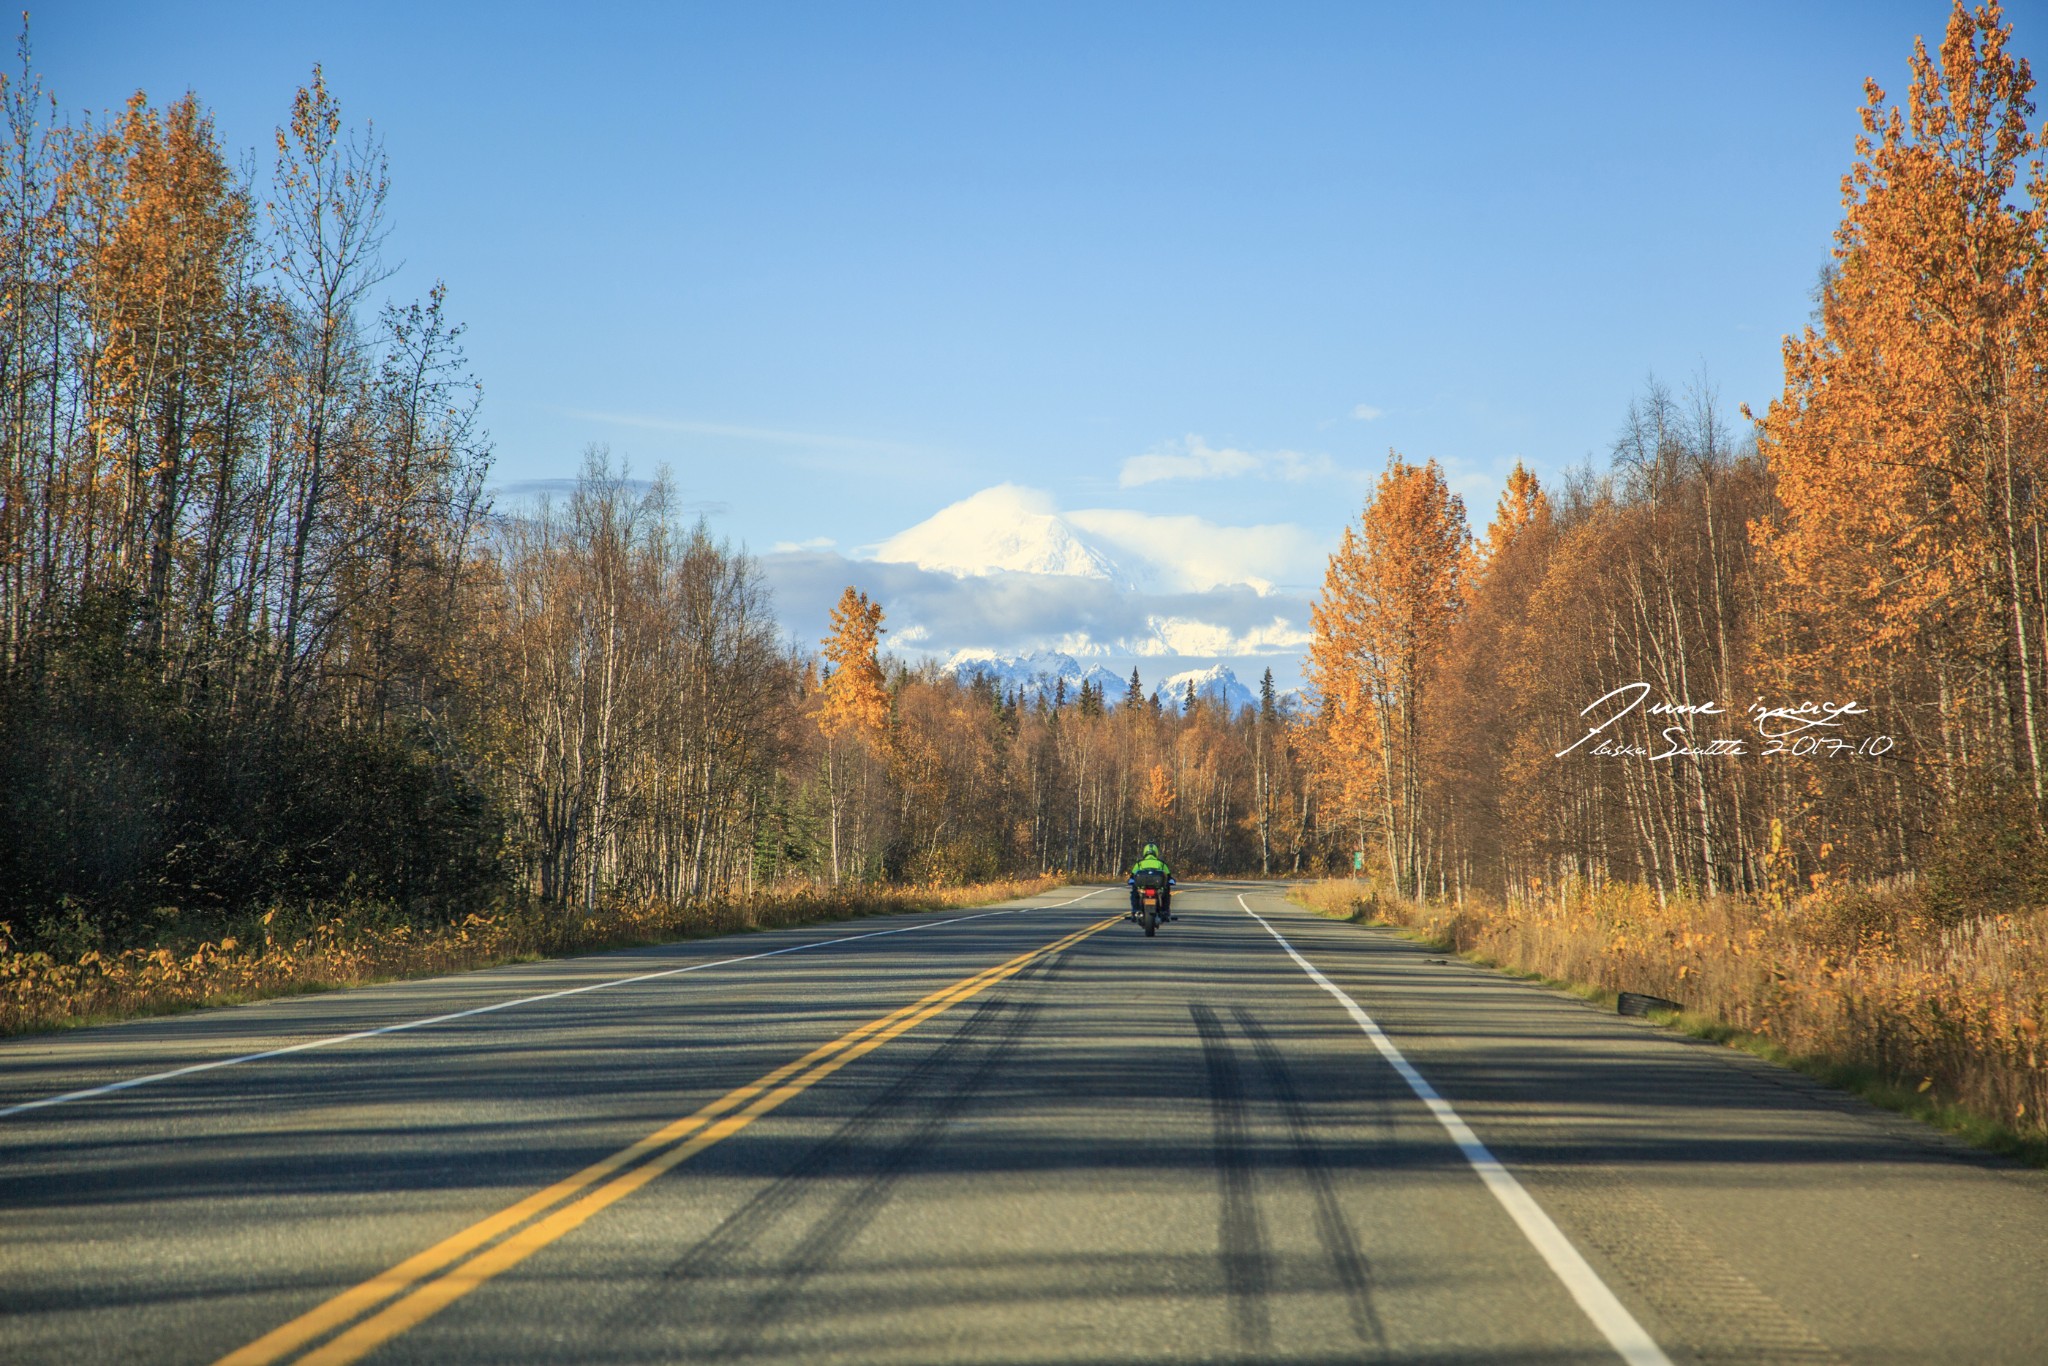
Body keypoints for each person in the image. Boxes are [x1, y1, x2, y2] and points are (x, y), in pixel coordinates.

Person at [1127, 842, 1175, 921]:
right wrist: (1170, 881)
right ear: (1156, 853)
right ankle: (1165, 911)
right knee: (1166, 893)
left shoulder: (1139, 864)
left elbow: (1132, 876)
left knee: (1134, 893)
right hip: (1157, 888)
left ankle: (1135, 910)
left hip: (1142, 888)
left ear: (1144, 852)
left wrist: (1132, 881)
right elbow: (1168, 876)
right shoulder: (1161, 863)